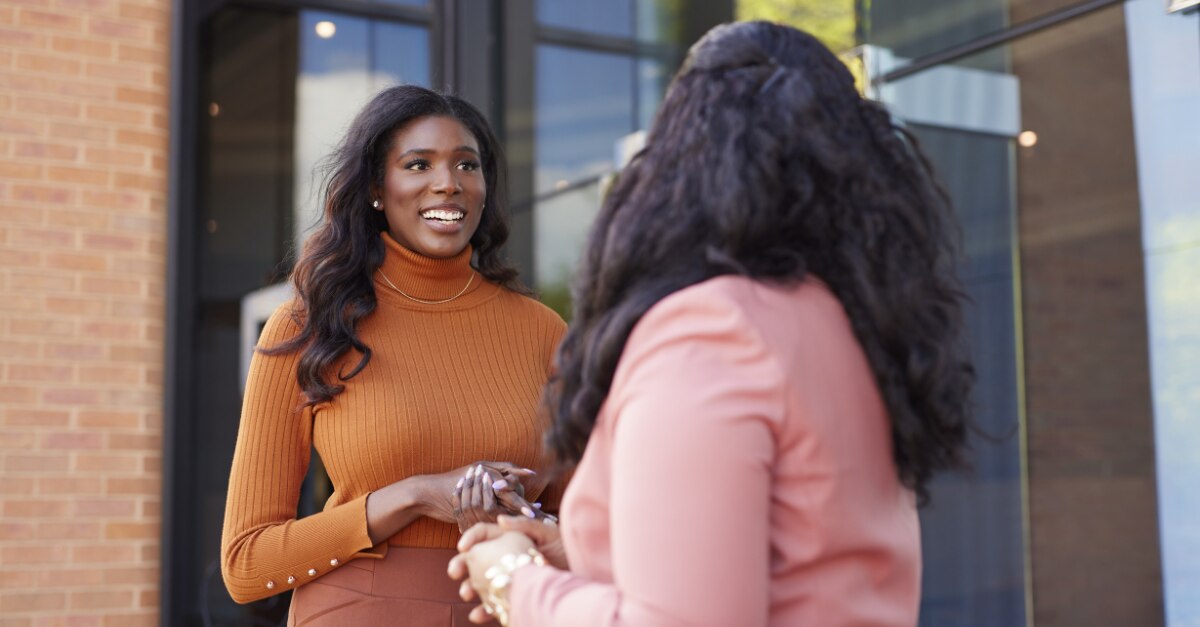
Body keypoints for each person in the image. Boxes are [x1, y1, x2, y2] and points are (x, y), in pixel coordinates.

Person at [448, 21, 975, 627]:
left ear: (680, 169)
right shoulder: (851, 327)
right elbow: (799, 553)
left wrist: (516, 584)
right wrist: (583, 557)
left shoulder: (708, 332)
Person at [221, 85, 564, 626]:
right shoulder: (310, 325)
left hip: (507, 608)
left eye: (467, 164)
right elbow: (247, 564)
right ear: (377, 189)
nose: (448, 183)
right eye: (418, 164)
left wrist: (517, 517)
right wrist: (416, 496)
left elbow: (584, 531)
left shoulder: (543, 331)